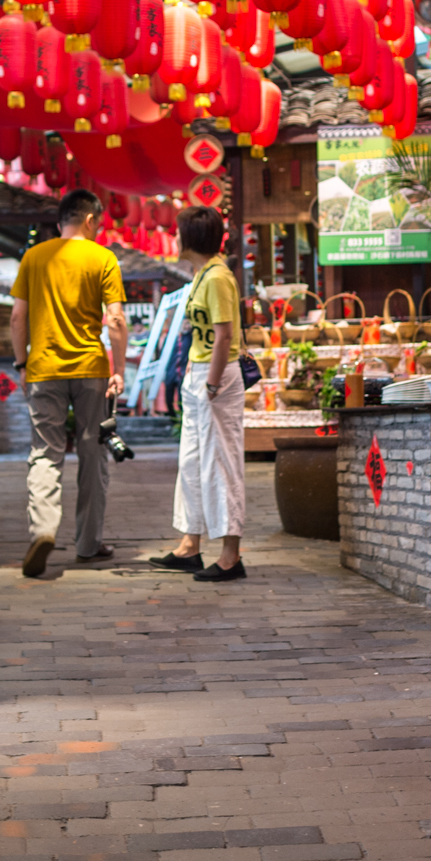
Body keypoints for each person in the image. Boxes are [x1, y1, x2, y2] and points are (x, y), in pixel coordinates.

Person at [9, 189, 132, 578]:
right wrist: (120, 369)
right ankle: (88, 545)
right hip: (91, 370)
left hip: (44, 368)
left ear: (61, 220)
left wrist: (21, 362)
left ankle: (43, 531)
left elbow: (17, 317)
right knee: (92, 452)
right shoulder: (103, 257)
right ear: (91, 219)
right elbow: (115, 320)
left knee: (45, 453)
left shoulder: (33, 257)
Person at [148, 204, 248, 581]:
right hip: (202, 374)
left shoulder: (218, 277)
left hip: (215, 378)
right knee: (191, 463)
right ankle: (190, 544)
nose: (173, 238)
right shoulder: (204, 275)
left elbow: (225, 336)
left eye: (177, 233)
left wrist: (211, 382)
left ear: (190, 238)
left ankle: (229, 555)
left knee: (219, 464)